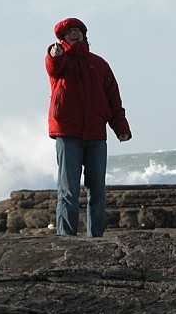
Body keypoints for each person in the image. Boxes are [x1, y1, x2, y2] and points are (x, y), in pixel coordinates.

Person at [45, 17, 132, 237]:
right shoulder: (61, 61)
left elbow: (113, 98)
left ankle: (97, 239)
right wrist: (54, 54)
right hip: (67, 133)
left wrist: (120, 127)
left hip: (96, 135)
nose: (74, 34)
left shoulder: (99, 64)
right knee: (68, 191)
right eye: (68, 32)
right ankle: (66, 239)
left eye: (77, 30)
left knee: (98, 191)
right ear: (63, 39)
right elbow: (53, 65)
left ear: (84, 34)